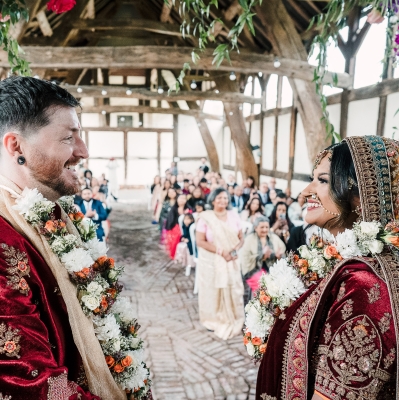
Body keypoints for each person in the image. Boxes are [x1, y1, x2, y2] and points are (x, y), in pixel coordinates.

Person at [0, 76, 132, 398]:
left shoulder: (57, 213)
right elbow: (32, 382)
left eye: (81, 136)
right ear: (16, 146)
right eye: (67, 138)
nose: (83, 152)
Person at [256, 136, 399, 400]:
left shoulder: (365, 284)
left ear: (359, 197)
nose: (306, 192)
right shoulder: (339, 260)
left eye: (322, 181)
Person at [196, 188, 245, 340]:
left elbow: (240, 238)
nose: (223, 201)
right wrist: (221, 252)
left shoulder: (233, 215)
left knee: (233, 288)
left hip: (232, 259)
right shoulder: (205, 217)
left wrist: (233, 252)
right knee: (213, 290)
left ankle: (235, 317)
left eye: (225, 198)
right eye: (219, 198)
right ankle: (213, 320)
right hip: (212, 261)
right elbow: (200, 241)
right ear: (212, 200)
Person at [240, 216, 285, 303]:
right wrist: (262, 255)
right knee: (261, 282)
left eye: (266, 227)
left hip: (271, 268)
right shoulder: (249, 240)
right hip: (253, 269)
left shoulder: (273, 237)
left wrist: (277, 255)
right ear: (255, 228)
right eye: (262, 227)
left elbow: (282, 249)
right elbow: (245, 258)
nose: (264, 230)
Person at [164, 194, 189, 259]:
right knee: (176, 235)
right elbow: (170, 221)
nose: (182, 200)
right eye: (180, 198)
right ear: (177, 200)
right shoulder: (173, 209)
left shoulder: (188, 209)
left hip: (186, 227)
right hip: (175, 227)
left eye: (184, 198)